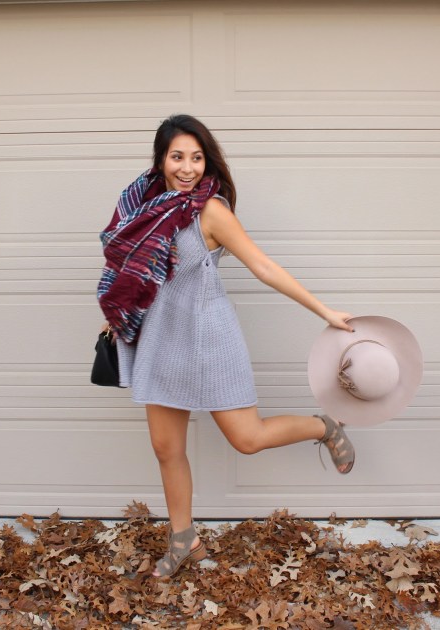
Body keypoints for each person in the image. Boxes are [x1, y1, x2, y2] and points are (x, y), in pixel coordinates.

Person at [98, 114, 355, 579]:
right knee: (165, 448)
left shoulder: (210, 210)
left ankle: (324, 426)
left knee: (247, 439)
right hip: (160, 336)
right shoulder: (142, 203)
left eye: (197, 158)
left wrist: (323, 311)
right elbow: (128, 270)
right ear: (160, 159)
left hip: (209, 336)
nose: (187, 168)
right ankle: (184, 540)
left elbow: (263, 267)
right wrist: (118, 315)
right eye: (178, 157)